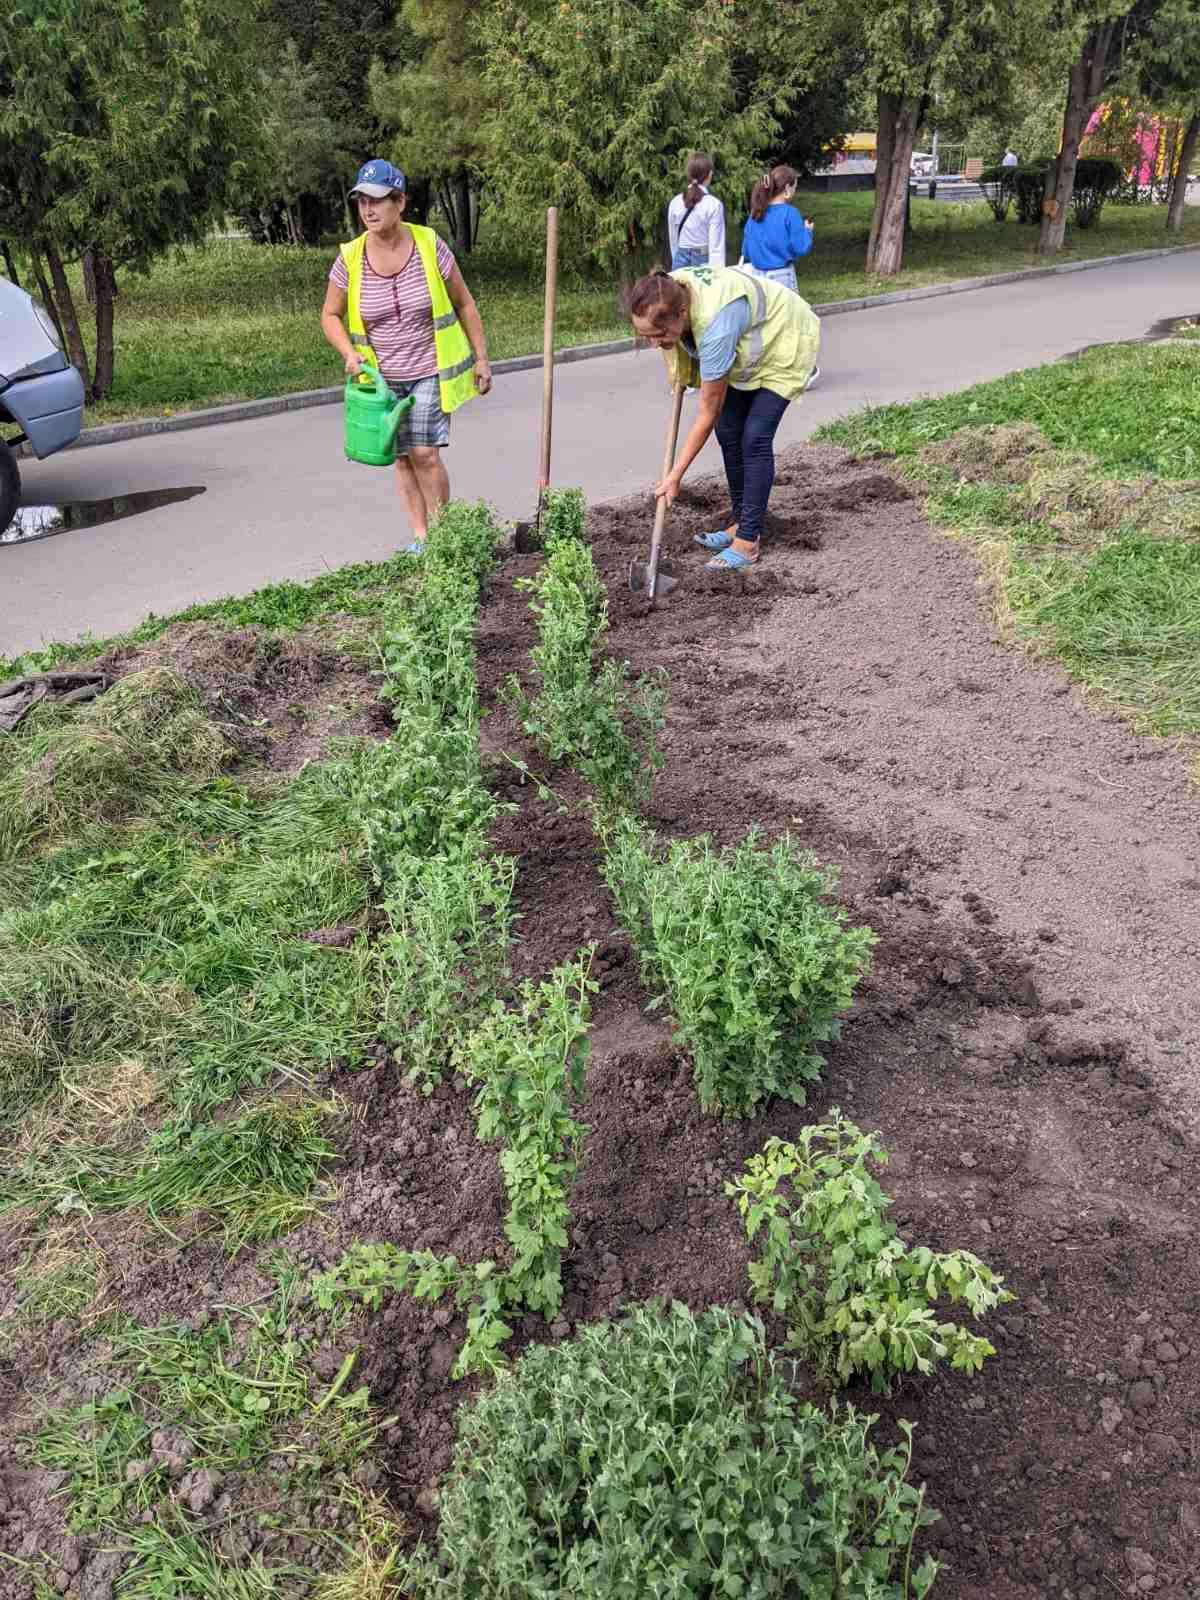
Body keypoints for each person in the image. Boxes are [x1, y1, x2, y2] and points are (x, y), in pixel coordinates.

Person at [321, 158, 492, 555]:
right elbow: (329, 315)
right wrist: (349, 353)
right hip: (381, 379)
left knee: (424, 453)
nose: (368, 209)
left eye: (377, 200)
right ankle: (421, 537)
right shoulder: (351, 257)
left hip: (429, 369)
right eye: (362, 201)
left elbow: (464, 303)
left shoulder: (429, 244)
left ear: (400, 202)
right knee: (400, 458)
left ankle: (445, 536)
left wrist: (481, 359)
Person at [626, 265, 820, 573]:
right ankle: (742, 520)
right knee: (728, 429)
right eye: (646, 336)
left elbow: (708, 412)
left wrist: (675, 476)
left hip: (784, 339)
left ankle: (748, 541)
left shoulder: (716, 327)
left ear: (682, 314)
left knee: (754, 437)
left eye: (659, 335)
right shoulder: (666, 289)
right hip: (748, 350)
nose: (654, 343)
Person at [739, 165, 814, 296]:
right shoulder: (790, 213)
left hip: (757, 278)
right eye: (795, 188)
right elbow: (800, 247)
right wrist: (807, 231)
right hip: (782, 277)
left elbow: (746, 250)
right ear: (787, 188)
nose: (795, 191)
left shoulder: (756, 213)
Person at [667, 154, 726, 269]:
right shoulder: (714, 205)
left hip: (679, 259)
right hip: (703, 260)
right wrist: (717, 273)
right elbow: (716, 248)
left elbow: (673, 239)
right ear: (709, 174)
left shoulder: (675, 202)